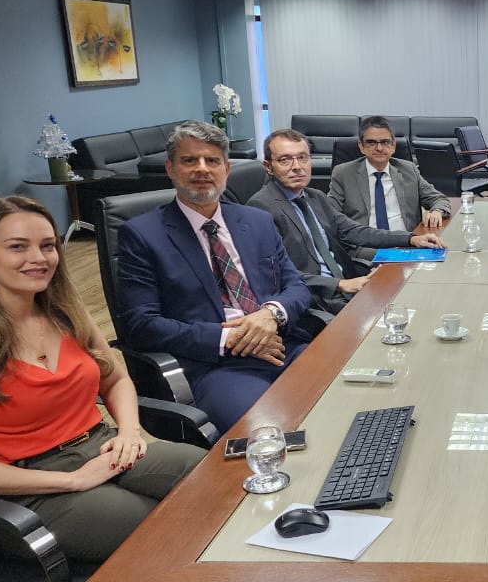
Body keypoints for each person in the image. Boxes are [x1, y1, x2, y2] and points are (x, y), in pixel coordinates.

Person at [0, 196, 204, 563]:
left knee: (211, 479)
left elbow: (116, 378)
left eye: (47, 245)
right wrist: (72, 481)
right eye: (17, 247)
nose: (39, 258)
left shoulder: (66, 314)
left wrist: (130, 432)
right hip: (28, 487)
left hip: (102, 447)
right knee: (165, 530)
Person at [115, 121, 313, 433]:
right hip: (219, 365)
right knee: (271, 433)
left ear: (226, 168)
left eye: (212, 160)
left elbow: (297, 286)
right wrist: (230, 338)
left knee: (349, 402)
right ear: (170, 168)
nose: (202, 169)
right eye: (189, 160)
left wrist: (271, 314)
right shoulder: (142, 235)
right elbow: (141, 324)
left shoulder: (257, 221)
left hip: (284, 345)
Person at [248, 128, 445, 313]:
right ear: (268, 167)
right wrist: (340, 285)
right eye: (285, 160)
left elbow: (355, 231)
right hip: (316, 300)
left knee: (422, 302)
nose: (297, 167)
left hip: (348, 286)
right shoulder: (261, 208)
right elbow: (276, 275)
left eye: (302, 158)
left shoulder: (314, 196)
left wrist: (411, 239)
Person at [328, 116, 451, 255]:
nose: (379, 148)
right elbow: (330, 215)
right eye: (371, 142)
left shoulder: (408, 170)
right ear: (361, 146)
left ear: (393, 146)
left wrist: (437, 211)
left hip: (408, 244)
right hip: (366, 249)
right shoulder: (343, 174)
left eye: (385, 142)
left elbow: (439, 199)